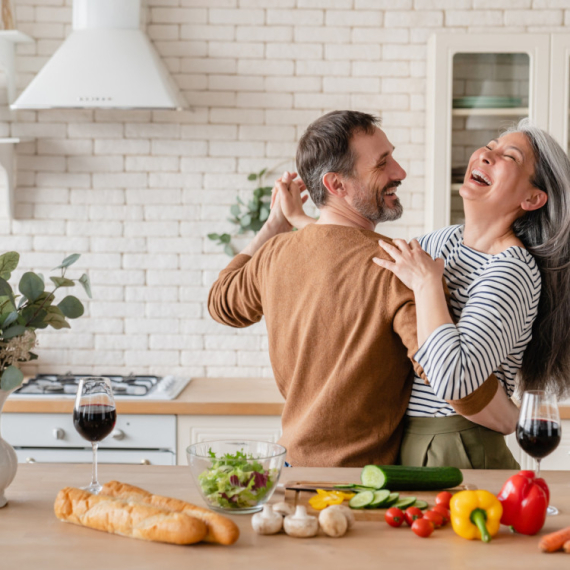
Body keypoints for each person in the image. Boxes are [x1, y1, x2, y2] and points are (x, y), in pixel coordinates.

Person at [208, 110, 496, 467]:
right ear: (336, 185)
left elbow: (221, 302)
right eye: (382, 164)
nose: (400, 172)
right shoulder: (395, 267)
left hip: (290, 472)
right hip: (359, 488)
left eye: (392, 155)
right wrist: (516, 417)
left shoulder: (274, 254)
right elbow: (456, 383)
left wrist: (273, 225)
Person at [283, 118, 570, 468]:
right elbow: (365, 265)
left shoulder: (511, 270)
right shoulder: (441, 241)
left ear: (532, 197)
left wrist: (427, 285)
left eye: (508, 156)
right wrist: (301, 220)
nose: (485, 155)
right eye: (490, 145)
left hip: (459, 444)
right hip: (406, 440)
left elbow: (455, 380)